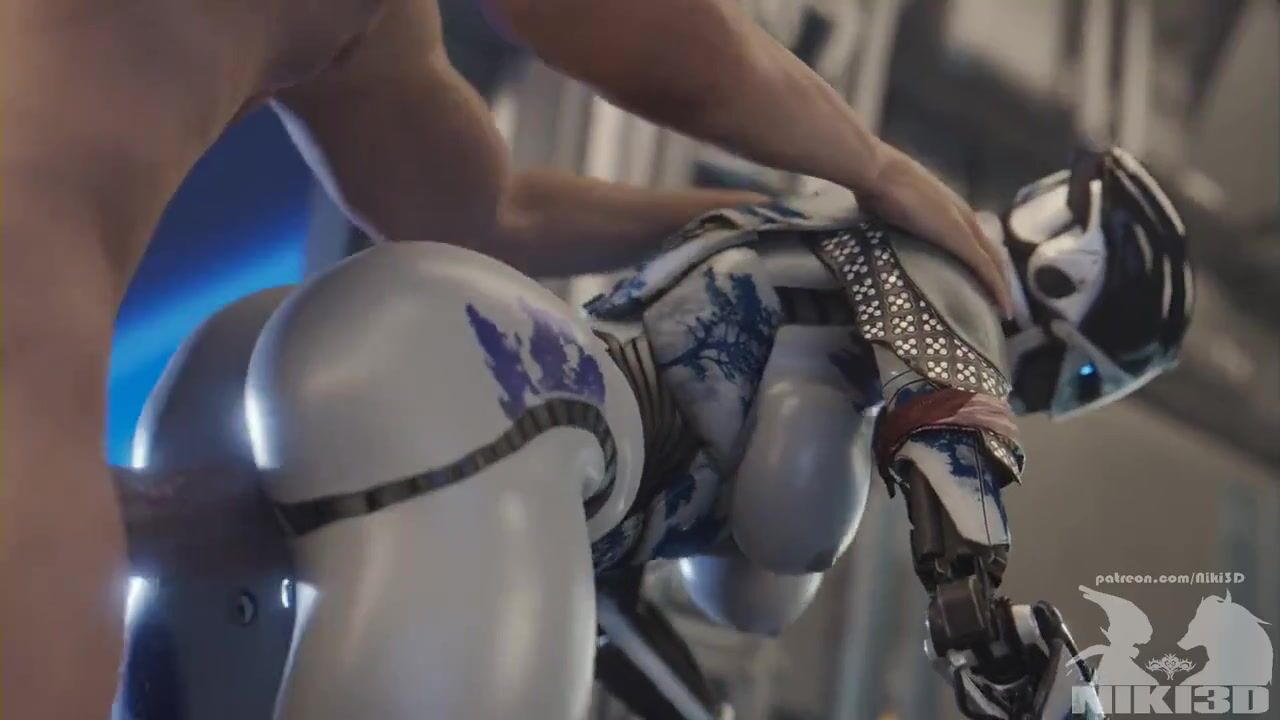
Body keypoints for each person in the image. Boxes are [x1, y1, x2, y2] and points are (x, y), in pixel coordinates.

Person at [1, 1, 1016, 717]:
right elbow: (659, 38)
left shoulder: (362, 24)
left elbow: (484, 209)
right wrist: (872, 168)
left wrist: (752, 227)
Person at [117, 146, 1183, 718]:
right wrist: (992, 642)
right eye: (1087, 377)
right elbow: (929, 450)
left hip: (331, 343)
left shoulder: (818, 222)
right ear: (1069, 286)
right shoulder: (939, 299)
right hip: (512, 418)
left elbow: (642, 596)